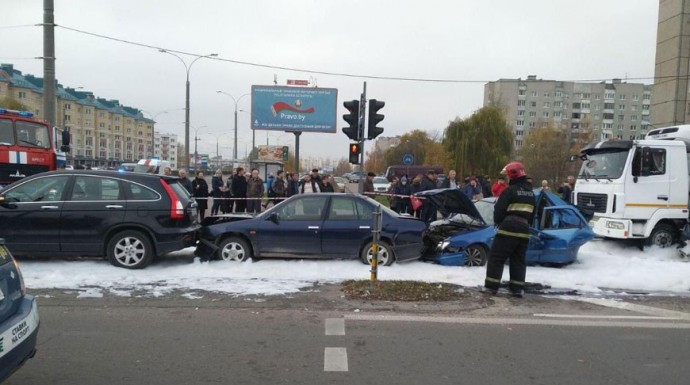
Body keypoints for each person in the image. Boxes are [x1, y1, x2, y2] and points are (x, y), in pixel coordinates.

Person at [484, 161, 535, 298]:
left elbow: (499, 211)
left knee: (496, 258)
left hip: (508, 229)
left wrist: (499, 222)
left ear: (512, 175)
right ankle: (517, 289)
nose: (506, 178)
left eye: (507, 176)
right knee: (518, 260)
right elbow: (533, 215)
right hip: (524, 231)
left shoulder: (509, 191)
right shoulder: (531, 193)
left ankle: (491, 288)